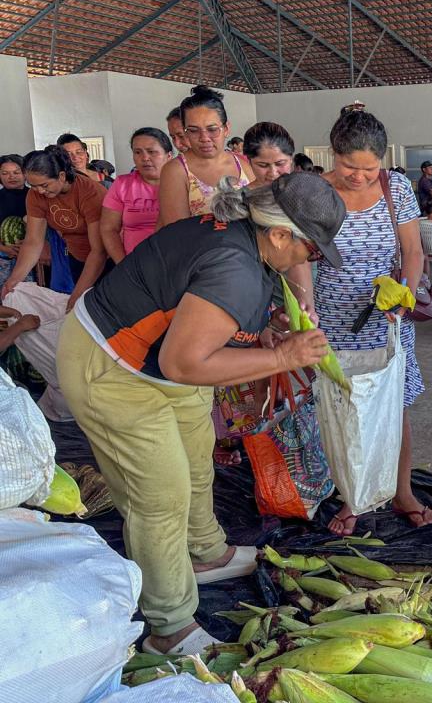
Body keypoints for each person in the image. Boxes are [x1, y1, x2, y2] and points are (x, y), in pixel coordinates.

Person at [57, 171, 344, 656]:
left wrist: (264, 333)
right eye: (310, 250)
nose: (308, 261)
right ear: (278, 234)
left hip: (158, 367)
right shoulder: (234, 266)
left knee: (195, 457)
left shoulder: (240, 237)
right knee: (160, 496)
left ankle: (206, 552)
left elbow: (199, 316)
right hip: (112, 366)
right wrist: (281, 359)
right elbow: (184, 361)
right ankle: (169, 627)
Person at [289, 104, 432, 537]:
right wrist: (306, 307)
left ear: (383, 158)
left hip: (387, 320)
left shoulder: (398, 189)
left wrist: (403, 297)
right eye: (350, 166)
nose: (359, 176)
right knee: (341, 412)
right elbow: (297, 259)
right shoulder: (314, 191)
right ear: (334, 154)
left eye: (369, 168)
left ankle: (401, 490)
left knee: (394, 408)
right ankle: (351, 495)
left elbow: (412, 252)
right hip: (331, 319)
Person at [1, 145, 107, 310]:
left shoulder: (90, 192)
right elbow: (33, 242)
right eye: (33, 186)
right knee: (82, 309)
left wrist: (77, 294)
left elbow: (99, 250)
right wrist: (14, 280)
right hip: (77, 257)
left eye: (44, 185)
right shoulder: (35, 195)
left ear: (62, 176)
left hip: (108, 260)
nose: (39, 191)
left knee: (99, 308)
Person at [157, 86, 254, 227]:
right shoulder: (176, 171)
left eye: (212, 129)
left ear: (226, 129)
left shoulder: (242, 163)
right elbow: (177, 232)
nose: (204, 138)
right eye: (193, 131)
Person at [100, 128, 173, 264]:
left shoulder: (182, 184)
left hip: (175, 263)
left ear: (168, 156)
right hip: (134, 264)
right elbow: (109, 229)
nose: (145, 158)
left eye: (152, 152)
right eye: (137, 152)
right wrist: (124, 265)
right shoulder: (122, 184)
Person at [0, 154, 28, 285]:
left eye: (16, 172)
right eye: (5, 173)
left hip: (33, 257)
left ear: (25, 173)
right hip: (3, 258)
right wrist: (5, 248)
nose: (11, 177)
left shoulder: (36, 195)